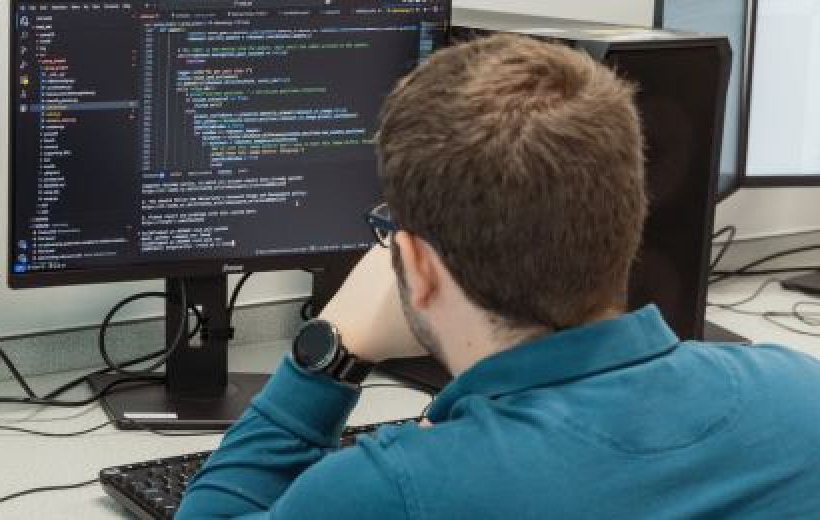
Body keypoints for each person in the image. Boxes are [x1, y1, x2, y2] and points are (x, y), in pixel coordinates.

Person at [178, 33, 820, 519]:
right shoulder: (801, 395)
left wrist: (330, 349)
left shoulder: (386, 491)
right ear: (626, 220)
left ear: (421, 269)